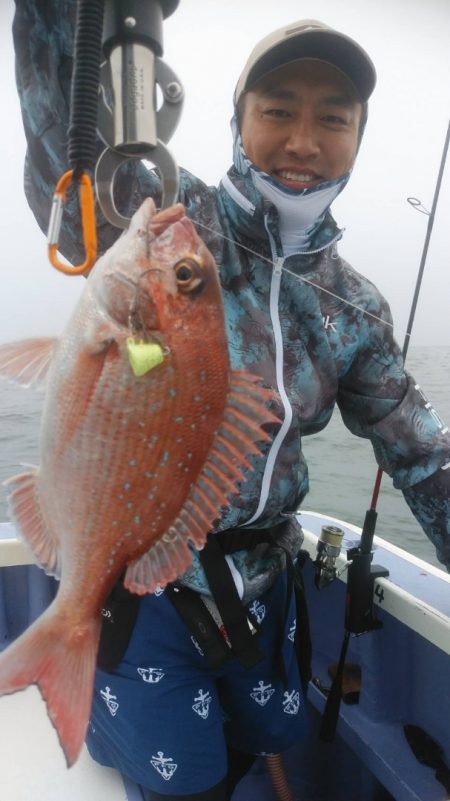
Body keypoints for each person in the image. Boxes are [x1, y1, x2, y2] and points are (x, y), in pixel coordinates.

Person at [11, 4, 450, 800]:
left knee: (257, 743)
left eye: (334, 118)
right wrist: (56, 15)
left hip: (265, 582)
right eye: (277, 110)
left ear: (359, 133)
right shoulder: (180, 229)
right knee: (188, 785)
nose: (304, 141)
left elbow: (423, 453)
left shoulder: (354, 307)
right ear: (238, 119)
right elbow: (62, 165)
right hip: (145, 591)